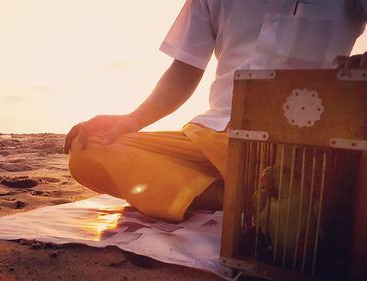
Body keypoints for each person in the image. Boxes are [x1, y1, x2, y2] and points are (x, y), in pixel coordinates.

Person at [64, 0, 367, 222]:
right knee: (87, 149)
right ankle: (256, 199)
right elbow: (185, 68)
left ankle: (264, 195)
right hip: (216, 137)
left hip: (308, 143)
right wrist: (131, 120)